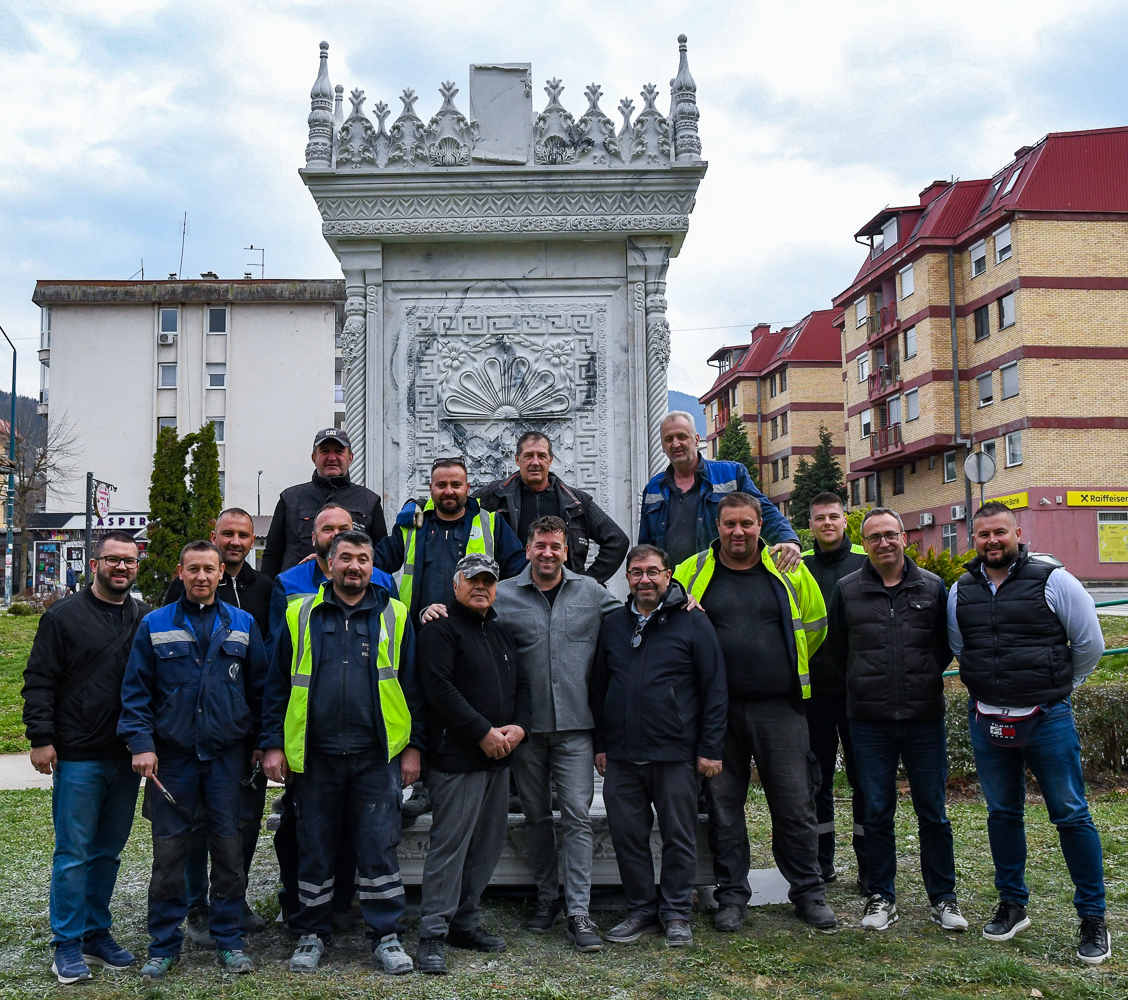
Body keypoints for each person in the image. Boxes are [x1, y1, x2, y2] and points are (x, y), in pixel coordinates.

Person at [948, 502, 1110, 963]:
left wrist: (1058, 689)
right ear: (973, 540)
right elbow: (962, 646)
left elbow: (1090, 643)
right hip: (988, 720)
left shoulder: (1053, 580)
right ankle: (1012, 904)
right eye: (982, 535)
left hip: (1047, 718)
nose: (992, 541)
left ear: (1017, 532)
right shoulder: (961, 590)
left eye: (1000, 532)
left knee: (1072, 815)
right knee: (1002, 814)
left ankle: (1093, 917)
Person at [261, 530, 423, 976]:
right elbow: (277, 685)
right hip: (316, 756)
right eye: (346, 558)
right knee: (315, 847)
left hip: (377, 755)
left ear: (374, 566)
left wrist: (412, 749)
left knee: (378, 847)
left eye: (364, 559)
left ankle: (386, 936)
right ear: (328, 563)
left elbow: (413, 687)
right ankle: (312, 933)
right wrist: (273, 743)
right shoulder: (300, 613)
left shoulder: (395, 615)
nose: (355, 566)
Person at [674, 493, 834, 932]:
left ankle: (808, 892)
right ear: (717, 526)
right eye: (730, 524)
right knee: (724, 808)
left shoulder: (789, 569)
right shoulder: (691, 571)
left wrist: (778, 669)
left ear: (760, 524)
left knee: (795, 803)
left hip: (778, 708)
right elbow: (671, 624)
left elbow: (816, 628)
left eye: (746, 523)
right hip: (716, 715)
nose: (738, 532)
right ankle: (731, 897)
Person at [118, 541, 268, 979]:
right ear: (180, 573)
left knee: (228, 851)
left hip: (227, 760)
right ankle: (163, 944)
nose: (201, 577)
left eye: (209, 569)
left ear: (222, 572)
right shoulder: (154, 624)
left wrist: (262, 742)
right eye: (193, 569)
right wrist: (141, 744)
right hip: (172, 759)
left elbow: (260, 691)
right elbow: (136, 693)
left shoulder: (242, 624)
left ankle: (229, 939)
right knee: (169, 855)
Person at [826, 508, 967, 934]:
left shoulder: (932, 586)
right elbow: (835, 649)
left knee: (934, 813)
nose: (883, 543)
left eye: (890, 535)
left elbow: (944, 647)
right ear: (863, 544)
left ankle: (943, 897)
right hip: (868, 721)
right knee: (877, 812)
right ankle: (881, 896)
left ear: (903, 537)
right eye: (874, 538)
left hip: (924, 718)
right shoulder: (847, 589)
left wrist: (919, 677)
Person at [21, 531, 150, 985]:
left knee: (109, 852)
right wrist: (41, 737)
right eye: (113, 559)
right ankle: (67, 944)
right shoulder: (63, 617)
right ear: (95, 564)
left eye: (129, 561)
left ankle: (96, 933)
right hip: (77, 755)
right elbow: (39, 680)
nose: (121, 567)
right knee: (73, 853)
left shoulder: (144, 617)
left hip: (126, 754)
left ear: (138, 567)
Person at [590, 544, 727, 949]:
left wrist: (711, 747)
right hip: (622, 756)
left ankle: (676, 913)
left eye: (653, 572)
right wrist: (601, 742)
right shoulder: (614, 624)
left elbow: (715, 689)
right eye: (636, 572)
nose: (644, 579)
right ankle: (641, 911)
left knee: (678, 835)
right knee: (627, 836)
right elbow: (599, 687)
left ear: (668, 576)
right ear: (627, 578)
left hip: (676, 754)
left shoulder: (693, 622)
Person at [494, 514, 620, 950]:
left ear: (567, 551)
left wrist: (679, 597)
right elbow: (468, 620)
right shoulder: (504, 595)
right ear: (528, 549)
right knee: (535, 816)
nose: (548, 553)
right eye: (540, 545)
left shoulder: (590, 592)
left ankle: (580, 911)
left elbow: (635, 617)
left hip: (576, 728)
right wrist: (433, 608)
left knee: (577, 816)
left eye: (556, 547)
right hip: (525, 730)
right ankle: (547, 897)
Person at [413, 554, 530, 975]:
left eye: (488, 580)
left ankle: (465, 922)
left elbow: (521, 685)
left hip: (499, 758)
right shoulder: (439, 630)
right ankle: (431, 933)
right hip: (458, 759)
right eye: (473, 579)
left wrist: (518, 728)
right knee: (450, 848)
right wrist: (482, 732)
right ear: (456, 583)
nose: (481, 586)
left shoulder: (500, 632)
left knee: (485, 848)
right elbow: (439, 690)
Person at [162, 507, 274, 943]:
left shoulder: (265, 588)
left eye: (242, 535)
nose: (234, 541)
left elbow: (268, 663)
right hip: (193, 728)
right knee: (194, 821)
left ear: (252, 541)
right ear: (215, 535)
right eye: (226, 533)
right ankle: (196, 904)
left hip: (242, 727)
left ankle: (233, 895)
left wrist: (264, 732)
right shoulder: (183, 585)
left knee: (242, 821)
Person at [801, 492, 869, 891]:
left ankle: (867, 864)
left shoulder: (866, 561)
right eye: (819, 518)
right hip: (813, 696)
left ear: (846, 521)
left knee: (865, 781)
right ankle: (822, 862)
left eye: (833, 517)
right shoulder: (800, 566)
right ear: (809, 525)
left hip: (859, 694)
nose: (827, 523)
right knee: (816, 782)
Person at [638, 410, 802, 572]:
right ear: (662, 446)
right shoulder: (653, 488)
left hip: (719, 582)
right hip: (671, 587)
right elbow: (646, 546)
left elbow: (763, 511)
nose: (675, 444)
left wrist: (788, 539)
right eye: (668, 439)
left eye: (682, 437)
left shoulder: (731, 475)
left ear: (696, 440)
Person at [381, 457, 526, 626]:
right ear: (431, 488)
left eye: (456, 485)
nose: (449, 491)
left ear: (467, 488)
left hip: (476, 631)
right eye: (441, 485)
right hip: (419, 630)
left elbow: (520, 574)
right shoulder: (411, 526)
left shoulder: (492, 524)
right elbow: (374, 566)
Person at [476, 431, 629, 584]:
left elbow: (617, 541)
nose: (535, 462)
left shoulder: (576, 502)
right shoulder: (495, 495)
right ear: (517, 459)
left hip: (564, 595)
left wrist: (587, 583)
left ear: (550, 460)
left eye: (541, 456)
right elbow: (458, 512)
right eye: (529, 456)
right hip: (512, 594)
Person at [260, 428, 387, 577]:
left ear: (350, 458)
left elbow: (381, 557)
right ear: (314, 457)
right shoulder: (290, 498)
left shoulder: (368, 501)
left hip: (353, 592)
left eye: (339, 451)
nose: (332, 458)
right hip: (299, 590)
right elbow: (273, 554)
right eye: (325, 451)